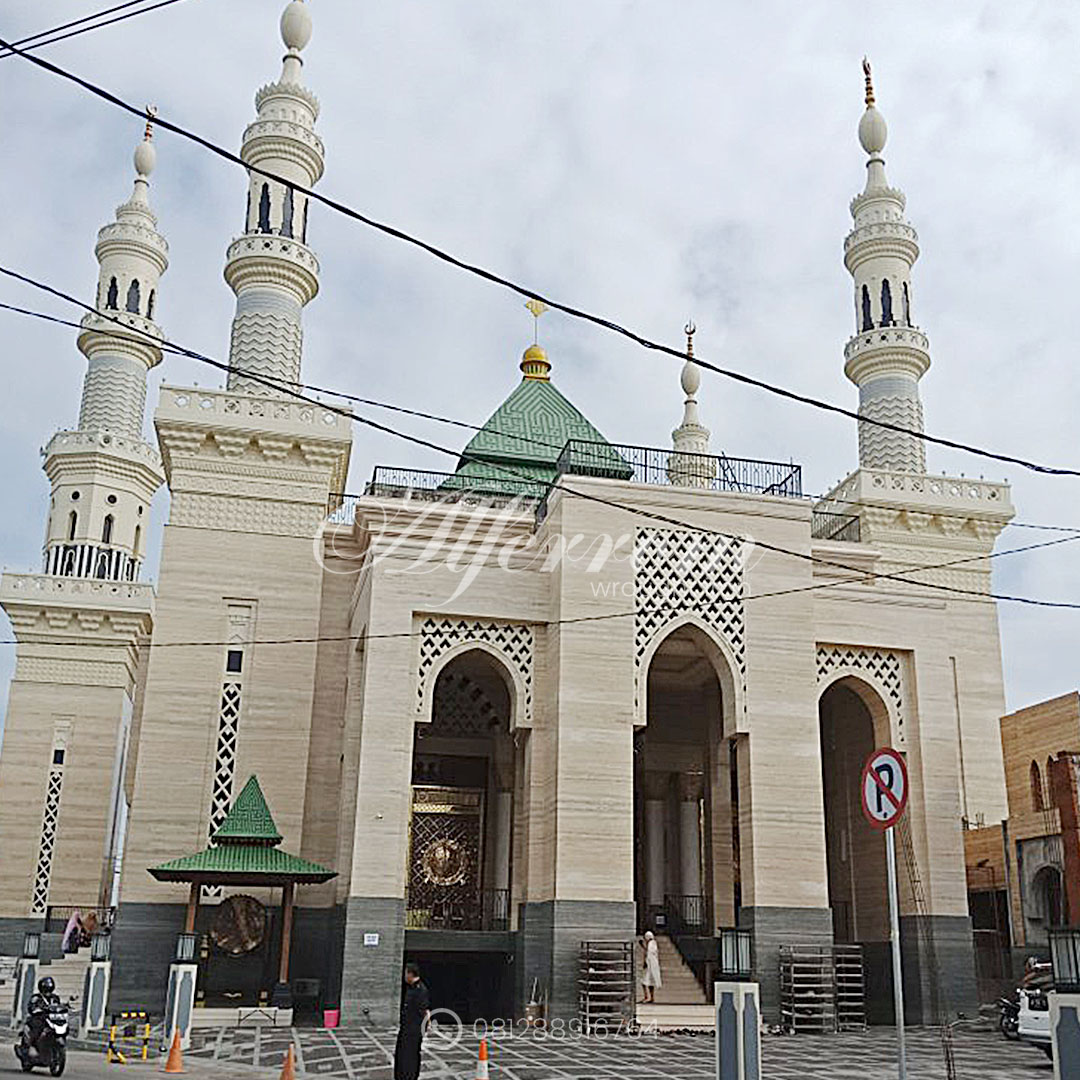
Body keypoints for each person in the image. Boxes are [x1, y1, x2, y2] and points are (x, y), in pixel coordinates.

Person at [393, 961, 430, 1080]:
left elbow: (424, 1011)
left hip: (413, 1030)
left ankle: (409, 1077)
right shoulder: (412, 989)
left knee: (410, 1056)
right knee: (402, 1055)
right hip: (406, 1029)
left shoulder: (420, 990)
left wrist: (422, 1030)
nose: (404, 976)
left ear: (410, 974)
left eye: (406, 973)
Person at [640, 930, 662, 1004]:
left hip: (650, 966)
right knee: (649, 983)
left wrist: (645, 963)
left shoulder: (651, 943)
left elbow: (648, 954)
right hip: (652, 966)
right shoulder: (652, 943)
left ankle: (647, 997)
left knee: (644, 982)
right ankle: (651, 997)